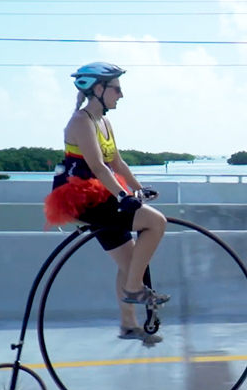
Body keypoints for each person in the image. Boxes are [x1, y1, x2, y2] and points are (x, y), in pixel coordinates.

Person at [43, 62, 169, 341]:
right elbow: (99, 167)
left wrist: (139, 190)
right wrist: (124, 197)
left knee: (131, 261)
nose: (120, 95)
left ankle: (128, 324)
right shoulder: (80, 121)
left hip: (104, 194)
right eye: (116, 89)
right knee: (156, 222)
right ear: (99, 89)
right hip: (85, 199)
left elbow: (117, 163)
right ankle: (135, 289)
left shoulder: (104, 122)